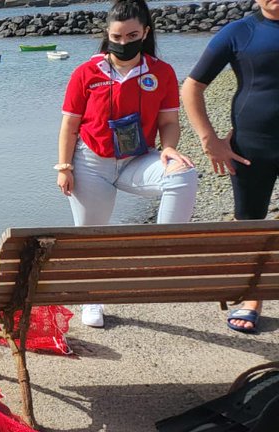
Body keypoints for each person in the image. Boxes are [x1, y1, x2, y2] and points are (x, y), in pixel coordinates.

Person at [56, 0, 199, 328]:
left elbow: (168, 122)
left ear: (145, 32)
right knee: (92, 238)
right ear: (107, 34)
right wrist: (64, 167)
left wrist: (170, 149)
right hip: (91, 164)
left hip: (138, 159)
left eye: (132, 35)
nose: (123, 43)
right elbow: (69, 125)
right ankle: (92, 300)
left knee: (184, 174)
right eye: (117, 36)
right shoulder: (86, 73)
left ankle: (162, 258)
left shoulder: (161, 72)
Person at [181, 0, 279, 333]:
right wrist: (210, 140)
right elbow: (192, 86)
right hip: (253, 148)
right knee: (250, 224)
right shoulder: (240, 31)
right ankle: (253, 296)